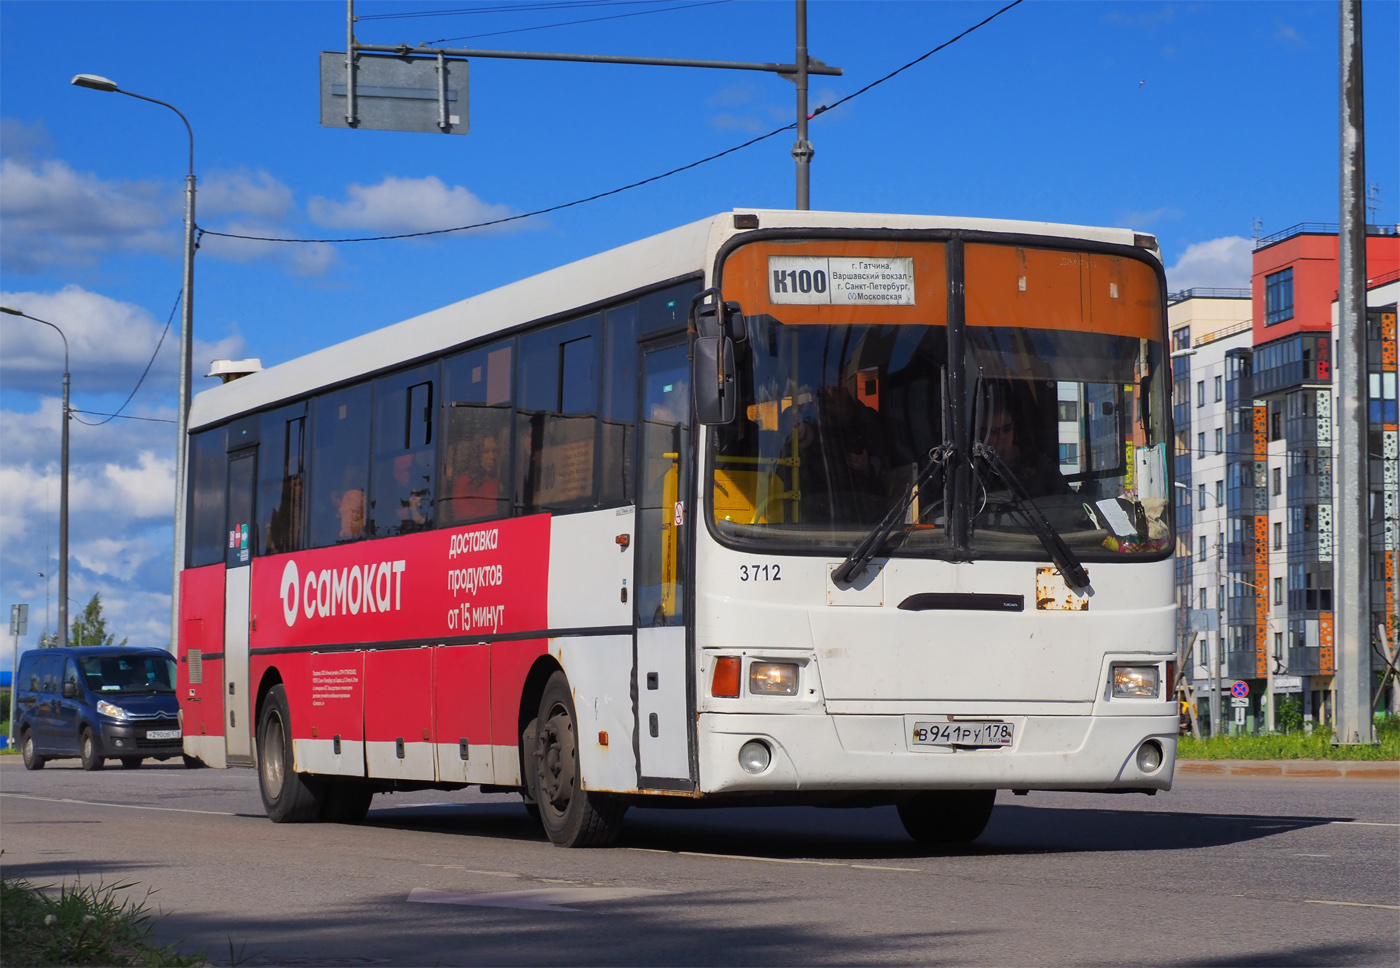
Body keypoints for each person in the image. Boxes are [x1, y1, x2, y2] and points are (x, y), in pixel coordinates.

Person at [977, 403, 1071, 499]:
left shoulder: (1037, 464)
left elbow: (1067, 500)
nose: (1001, 436)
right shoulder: (975, 466)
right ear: (981, 433)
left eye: (1006, 428)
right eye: (993, 431)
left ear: (1013, 427)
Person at [447, 433, 501, 523]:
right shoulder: (464, 483)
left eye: (494, 451)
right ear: (477, 455)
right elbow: (466, 516)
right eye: (486, 451)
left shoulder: (500, 484)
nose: (492, 456)